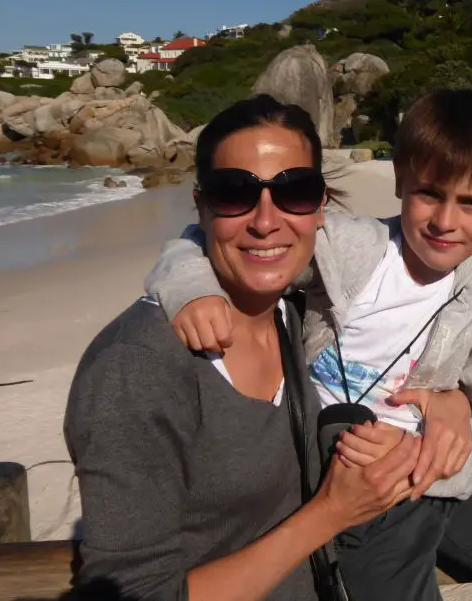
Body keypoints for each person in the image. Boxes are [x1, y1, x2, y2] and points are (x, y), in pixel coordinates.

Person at [145, 88, 472, 601]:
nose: (446, 221)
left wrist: (448, 423)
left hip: (449, 481)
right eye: (430, 194)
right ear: (402, 180)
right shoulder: (348, 247)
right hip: (360, 487)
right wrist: (192, 292)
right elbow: (197, 240)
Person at [64, 96, 423, 601]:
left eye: (295, 191)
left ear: (320, 206)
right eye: (234, 193)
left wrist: (451, 404)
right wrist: (331, 513)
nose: (265, 220)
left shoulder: (294, 313)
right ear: (201, 205)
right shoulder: (138, 367)